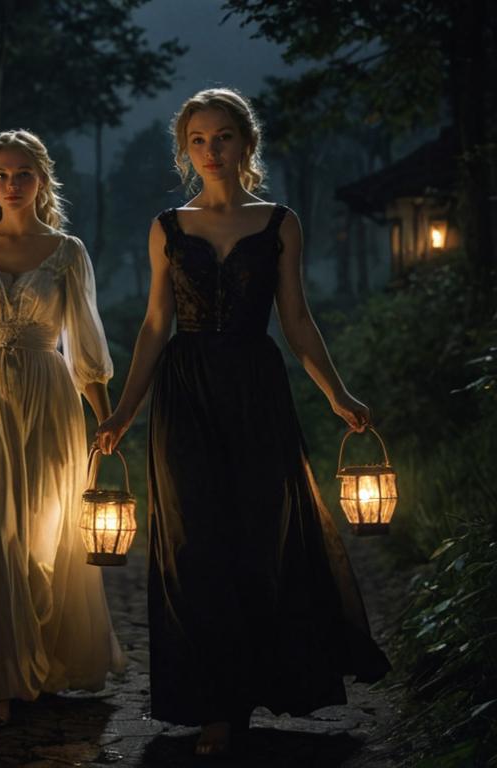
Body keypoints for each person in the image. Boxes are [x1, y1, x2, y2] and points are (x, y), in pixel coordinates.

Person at [94, 88, 390, 757]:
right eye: (198, 139)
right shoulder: (167, 225)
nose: (211, 150)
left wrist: (339, 395)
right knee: (196, 545)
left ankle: (258, 688)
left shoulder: (280, 222)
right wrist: (122, 410)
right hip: (185, 393)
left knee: (260, 541)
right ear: (185, 149)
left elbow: (297, 322)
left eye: (223, 136)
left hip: (256, 389)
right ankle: (214, 706)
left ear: (246, 144)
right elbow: (152, 326)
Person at [0, 129, 124, 727]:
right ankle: (0, 676)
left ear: (42, 180)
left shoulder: (68, 251)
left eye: (23, 174)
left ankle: (41, 667)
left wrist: (107, 415)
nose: (12, 185)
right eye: (1, 175)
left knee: (46, 540)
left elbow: (86, 340)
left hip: (50, 397)